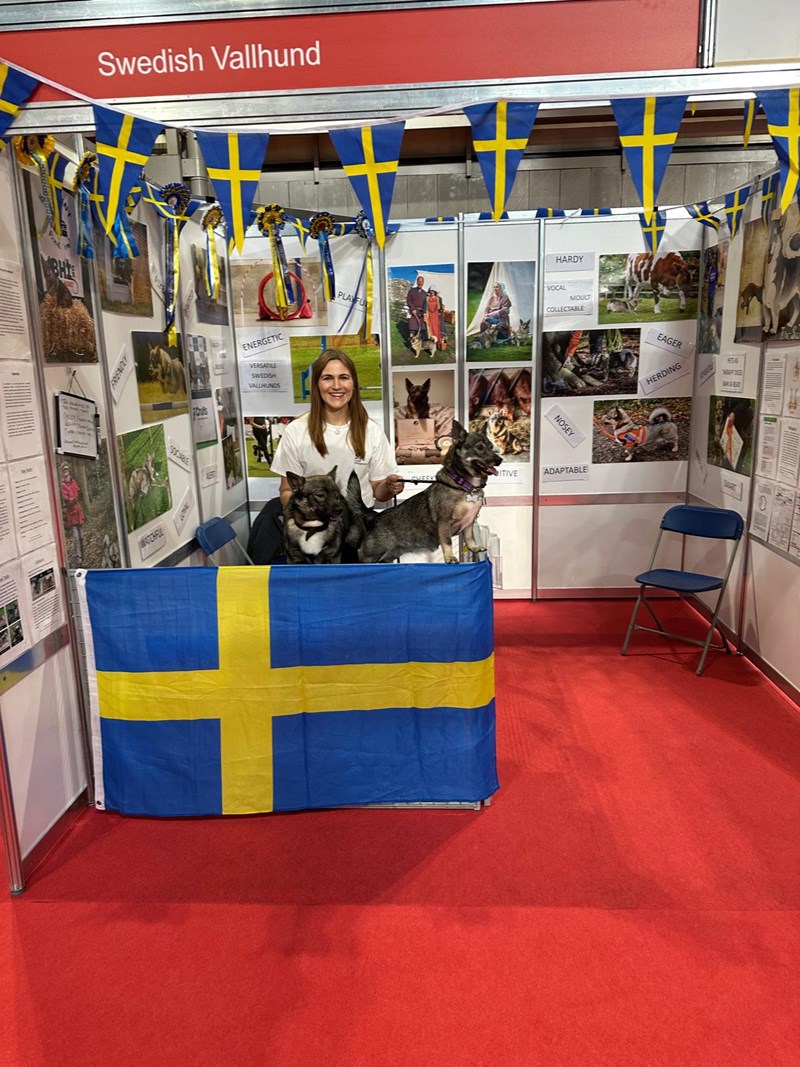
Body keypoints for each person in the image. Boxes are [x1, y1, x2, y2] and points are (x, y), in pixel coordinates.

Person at [271, 348, 404, 509]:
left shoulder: (372, 430)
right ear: (316, 385)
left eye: (343, 378)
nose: (336, 386)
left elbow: (378, 491)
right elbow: (286, 490)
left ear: (353, 384)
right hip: (316, 529)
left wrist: (390, 487)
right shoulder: (296, 431)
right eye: (327, 378)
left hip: (360, 526)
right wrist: (308, 515)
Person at [60, 462, 85, 566]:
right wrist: (72, 500)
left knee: (81, 536)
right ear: (62, 472)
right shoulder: (63, 485)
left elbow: (78, 491)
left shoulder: (73, 481)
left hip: (78, 512)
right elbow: (66, 500)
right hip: (71, 513)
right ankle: (78, 558)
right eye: (64, 470)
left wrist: (79, 494)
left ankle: (82, 555)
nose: (66, 472)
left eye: (67, 470)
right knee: (75, 537)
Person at [405, 275, 428, 349]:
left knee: (421, 329)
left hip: (421, 313)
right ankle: (410, 344)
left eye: (422, 281)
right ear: (417, 282)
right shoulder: (412, 291)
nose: (420, 283)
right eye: (419, 281)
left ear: (423, 282)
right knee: (412, 329)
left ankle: (419, 345)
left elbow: (425, 304)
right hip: (413, 312)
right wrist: (412, 309)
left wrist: (424, 313)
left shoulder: (425, 293)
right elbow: (408, 301)